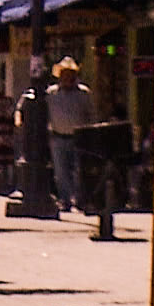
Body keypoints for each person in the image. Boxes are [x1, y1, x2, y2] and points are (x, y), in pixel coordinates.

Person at [40, 57, 96, 212]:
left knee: (79, 171)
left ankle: (78, 200)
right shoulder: (51, 94)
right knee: (60, 172)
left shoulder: (84, 93)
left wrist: (90, 135)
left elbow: (91, 115)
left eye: (70, 73)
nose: (67, 77)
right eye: (65, 73)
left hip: (78, 138)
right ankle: (65, 200)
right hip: (57, 137)